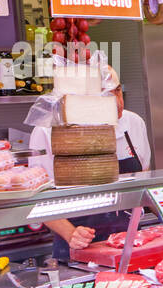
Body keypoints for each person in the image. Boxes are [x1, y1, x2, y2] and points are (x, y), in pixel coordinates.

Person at [28, 67, 153, 257]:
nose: (118, 102)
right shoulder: (48, 131)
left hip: (129, 243)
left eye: (118, 91)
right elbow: (37, 200)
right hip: (78, 248)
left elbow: (145, 183)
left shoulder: (133, 122)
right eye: (105, 96)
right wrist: (71, 233)